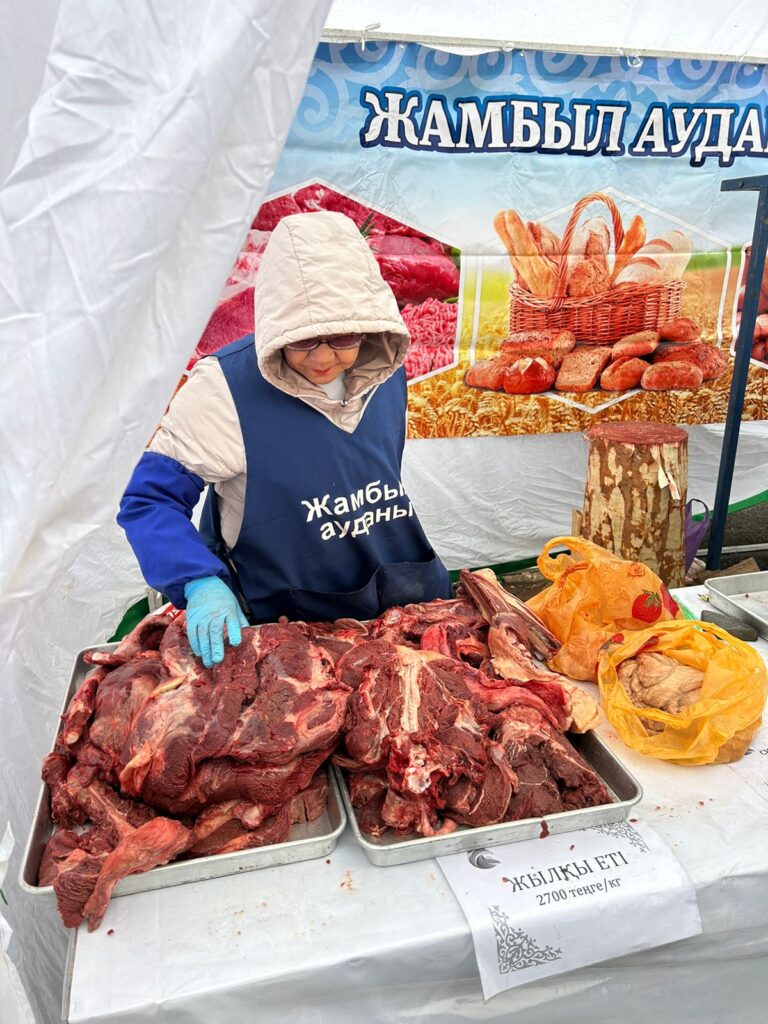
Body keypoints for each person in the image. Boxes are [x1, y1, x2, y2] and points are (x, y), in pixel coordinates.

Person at [118, 211, 452, 667]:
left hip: (398, 608)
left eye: (341, 338)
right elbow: (149, 499)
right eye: (301, 342)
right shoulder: (224, 390)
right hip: (283, 632)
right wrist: (198, 580)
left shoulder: (385, 368)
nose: (323, 359)